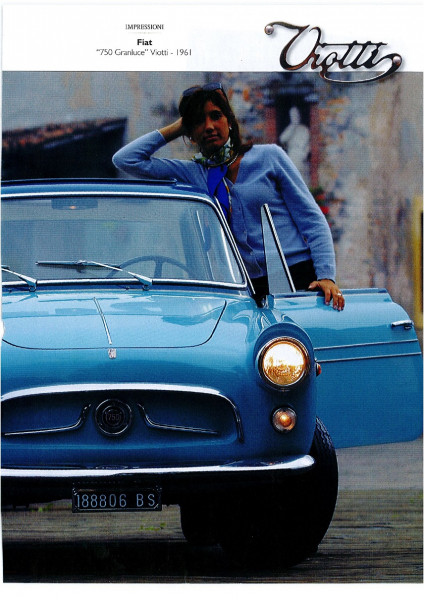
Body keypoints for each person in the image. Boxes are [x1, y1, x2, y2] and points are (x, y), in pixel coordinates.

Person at [112, 82, 344, 310]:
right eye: (199, 122)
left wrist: (326, 276)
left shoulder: (270, 157)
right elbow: (126, 159)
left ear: (230, 122)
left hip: (296, 275)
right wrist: (179, 127)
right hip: (247, 287)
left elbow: (311, 220)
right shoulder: (195, 173)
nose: (209, 126)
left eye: (216, 116)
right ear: (191, 134)